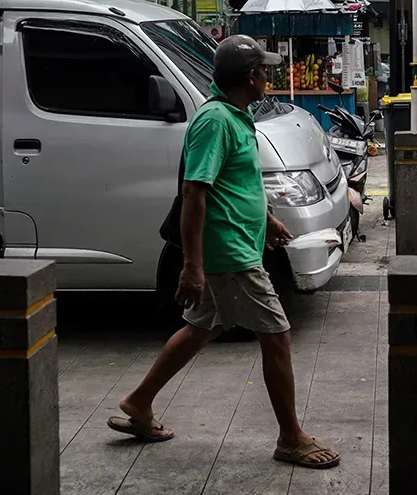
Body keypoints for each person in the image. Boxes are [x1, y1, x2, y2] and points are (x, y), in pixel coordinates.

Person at [107, 35, 341, 470]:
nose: (268, 77)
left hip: (239, 243)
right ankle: (290, 437)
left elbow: (238, 184)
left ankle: (138, 403)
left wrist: (268, 221)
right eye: (264, 71)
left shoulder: (238, 117)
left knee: (201, 328)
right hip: (229, 253)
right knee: (277, 337)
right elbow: (195, 192)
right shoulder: (214, 122)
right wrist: (192, 266)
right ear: (251, 77)